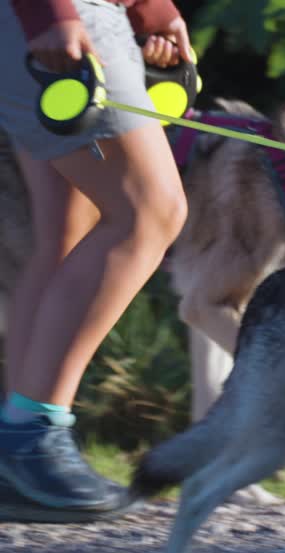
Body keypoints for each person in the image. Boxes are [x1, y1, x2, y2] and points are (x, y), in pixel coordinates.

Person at [0, 0, 192, 523]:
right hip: (63, 16)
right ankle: (30, 438)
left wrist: (151, 11)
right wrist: (50, 15)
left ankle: (14, 456)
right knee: (149, 213)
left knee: (66, 234)